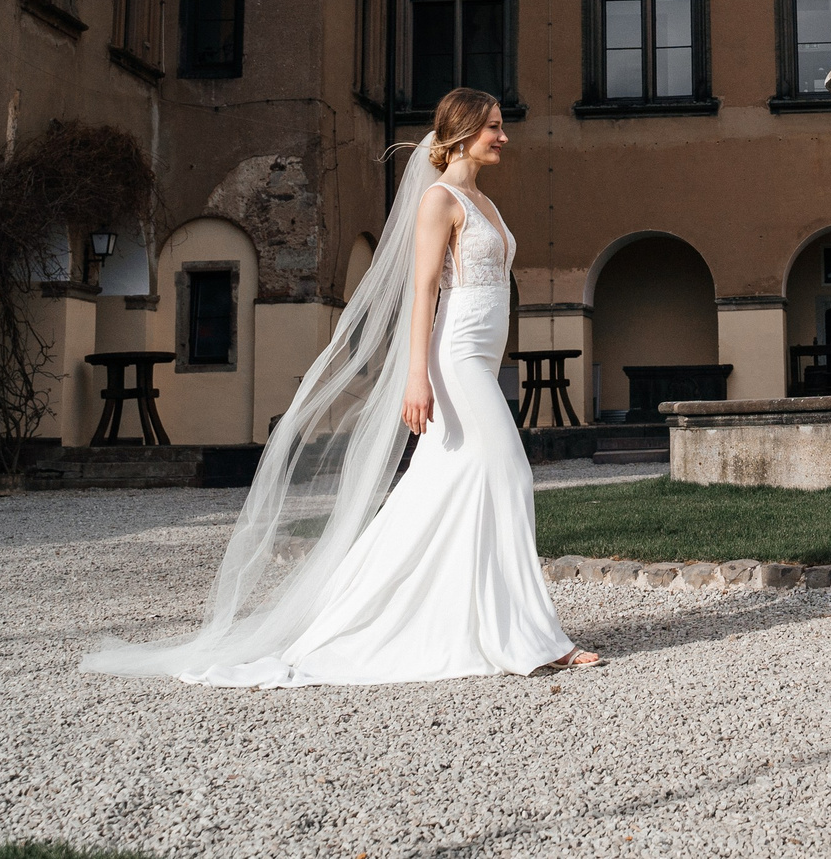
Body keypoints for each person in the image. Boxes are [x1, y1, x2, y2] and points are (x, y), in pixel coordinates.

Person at [82, 88, 599, 684]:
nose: (504, 137)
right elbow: (422, 293)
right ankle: (533, 637)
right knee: (510, 473)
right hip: (455, 360)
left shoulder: (483, 200)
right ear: (461, 133)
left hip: (480, 358)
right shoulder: (440, 200)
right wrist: (416, 376)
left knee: (444, 486)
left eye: (502, 126)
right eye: (493, 128)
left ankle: (460, 620)